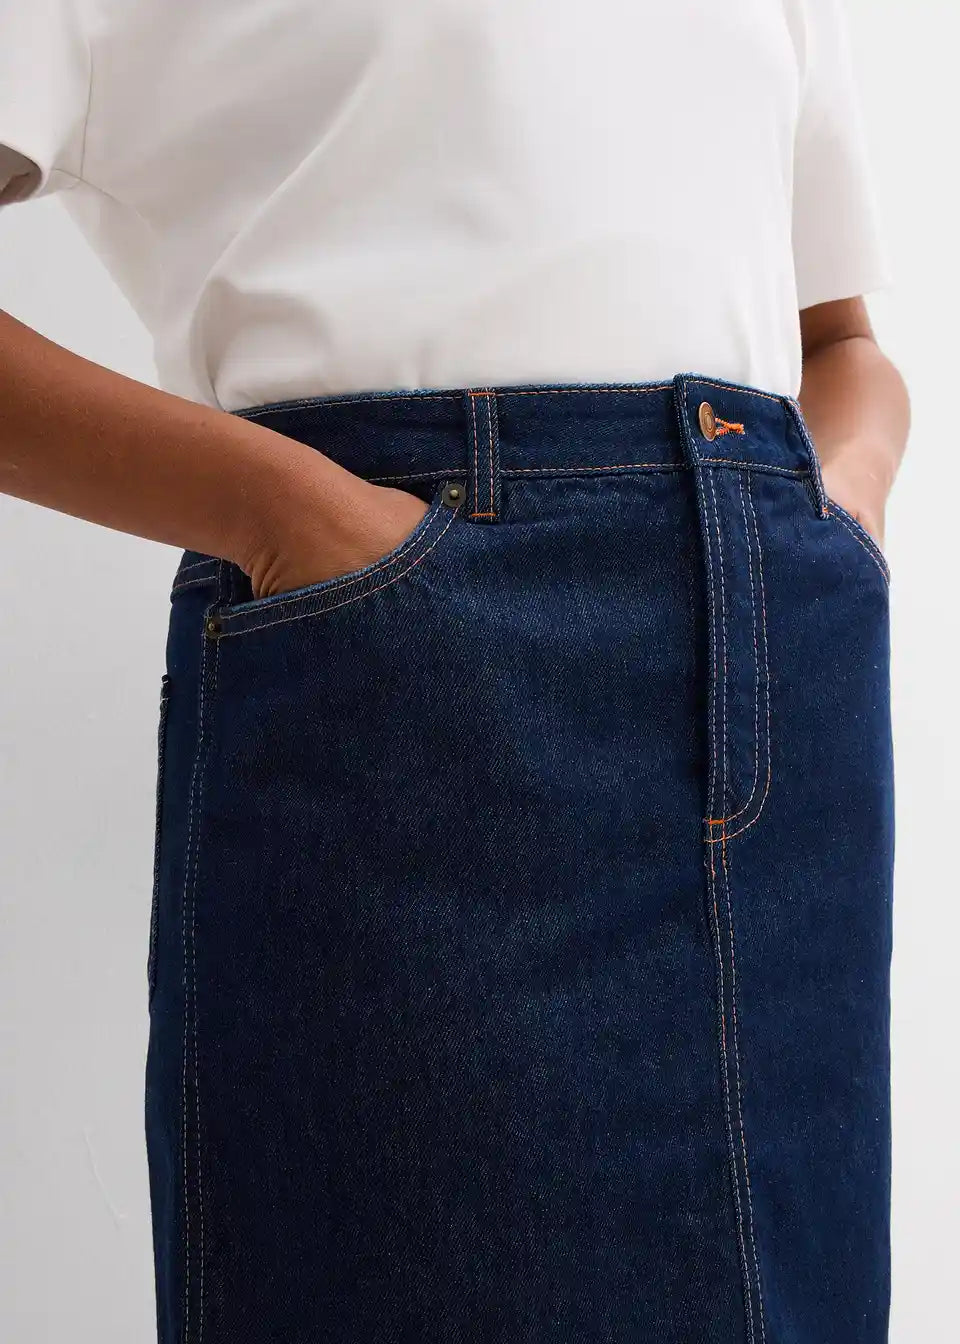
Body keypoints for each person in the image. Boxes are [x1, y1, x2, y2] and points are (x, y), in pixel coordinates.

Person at [0, 2, 909, 1341]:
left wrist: (843, 506)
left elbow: (840, 340)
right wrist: (287, 518)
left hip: (785, 653)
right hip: (406, 662)